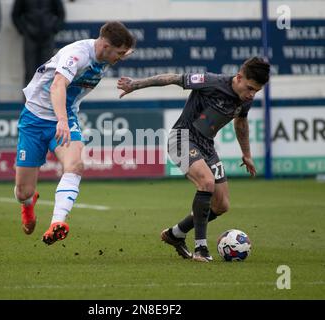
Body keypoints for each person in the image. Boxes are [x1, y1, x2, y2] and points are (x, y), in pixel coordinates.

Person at [117, 57, 270, 262]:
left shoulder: (246, 100)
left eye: (256, 91)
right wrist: (135, 85)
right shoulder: (211, 82)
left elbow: (241, 123)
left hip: (206, 145)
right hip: (182, 138)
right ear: (239, 77)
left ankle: (175, 234)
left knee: (222, 204)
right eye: (250, 88)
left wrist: (247, 154)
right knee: (206, 182)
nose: (251, 94)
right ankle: (201, 249)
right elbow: (173, 78)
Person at [15, 21, 135, 245]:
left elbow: (120, 49)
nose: (121, 57)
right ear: (105, 46)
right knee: (23, 191)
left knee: (75, 165)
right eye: (119, 53)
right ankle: (28, 204)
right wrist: (60, 120)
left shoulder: (106, 53)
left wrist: (64, 120)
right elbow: (57, 85)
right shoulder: (77, 55)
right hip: (35, 119)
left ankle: (57, 223)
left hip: (66, 116)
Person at [11, 0, 65, 86]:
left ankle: (47, 98)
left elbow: (61, 13)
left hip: (47, 38)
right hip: (30, 38)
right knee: (30, 71)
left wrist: (54, 29)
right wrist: (23, 31)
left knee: (48, 71)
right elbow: (15, 15)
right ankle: (28, 98)